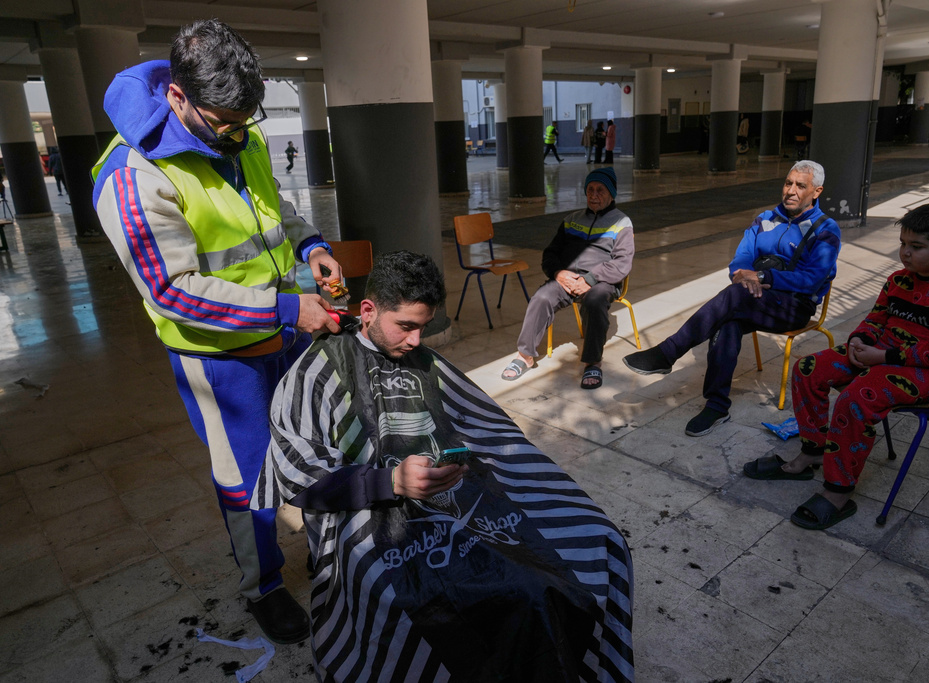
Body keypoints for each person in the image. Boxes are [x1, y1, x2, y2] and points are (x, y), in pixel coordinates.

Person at [253, 251, 635, 682]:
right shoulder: (317, 370)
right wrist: (390, 480)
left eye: (423, 327)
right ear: (367, 310)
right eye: (406, 326)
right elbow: (302, 482)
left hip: (452, 490)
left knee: (600, 541)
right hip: (368, 507)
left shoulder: (422, 360)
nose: (416, 341)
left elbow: (488, 429)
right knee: (455, 599)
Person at [91, 19, 345, 645]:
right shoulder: (133, 174)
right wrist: (289, 310)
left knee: (313, 447)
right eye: (225, 122)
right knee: (249, 477)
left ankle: (324, 551)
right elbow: (172, 290)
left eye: (245, 121)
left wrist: (311, 245)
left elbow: (274, 206)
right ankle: (263, 587)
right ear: (178, 97)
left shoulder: (239, 133)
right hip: (221, 357)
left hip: (287, 335)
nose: (239, 134)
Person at [743, 203, 929, 530]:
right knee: (808, 368)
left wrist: (881, 358)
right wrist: (861, 341)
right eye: (903, 244)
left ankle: (838, 492)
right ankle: (814, 451)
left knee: (856, 398)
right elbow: (875, 319)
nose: (905, 253)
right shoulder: (899, 280)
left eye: (917, 247)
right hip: (882, 354)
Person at [623, 161, 840, 436]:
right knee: (728, 321)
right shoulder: (764, 219)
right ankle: (717, 406)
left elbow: (812, 278)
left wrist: (763, 278)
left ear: (816, 191)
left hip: (794, 305)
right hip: (752, 296)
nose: (791, 191)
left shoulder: (826, 230)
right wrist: (741, 274)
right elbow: (742, 257)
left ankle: (668, 352)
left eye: (801, 186)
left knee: (734, 300)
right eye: (788, 183)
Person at [501, 167, 634, 389]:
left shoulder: (622, 223)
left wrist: (590, 279)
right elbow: (550, 254)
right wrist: (558, 273)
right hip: (567, 278)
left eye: (600, 190)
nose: (594, 195)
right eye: (590, 189)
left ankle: (593, 361)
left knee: (595, 301)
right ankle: (525, 356)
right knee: (542, 297)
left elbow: (622, 263)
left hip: (601, 281)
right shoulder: (572, 220)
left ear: (611, 193)